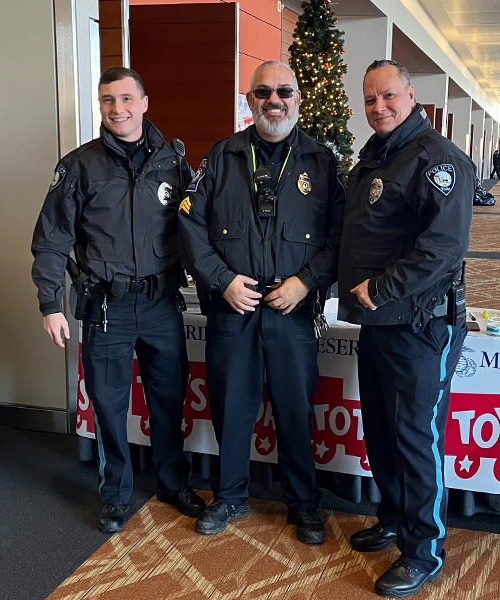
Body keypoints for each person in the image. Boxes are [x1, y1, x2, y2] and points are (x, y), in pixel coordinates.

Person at [31, 67, 206, 534]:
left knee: (169, 400)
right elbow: (51, 240)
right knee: (108, 404)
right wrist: (50, 304)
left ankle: (172, 482)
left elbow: (198, 229)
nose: (118, 109)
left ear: (145, 102)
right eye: (108, 100)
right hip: (106, 308)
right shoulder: (79, 166)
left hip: (161, 304)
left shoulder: (173, 163)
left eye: (127, 98)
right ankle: (115, 494)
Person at [177, 60, 345, 545]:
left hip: (293, 311)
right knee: (231, 407)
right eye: (263, 92)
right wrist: (223, 280)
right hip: (235, 307)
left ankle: (303, 504)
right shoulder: (222, 155)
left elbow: (341, 235)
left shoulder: (323, 161)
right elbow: (189, 224)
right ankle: (228, 497)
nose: (275, 100)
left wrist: (306, 282)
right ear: (250, 100)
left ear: (298, 99)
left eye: (284, 92)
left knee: (295, 409)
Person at [337, 59, 472, 599]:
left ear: (411, 95)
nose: (379, 107)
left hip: (420, 325)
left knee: (416, 438)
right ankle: (392, 518)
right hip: (379, 324)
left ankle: (424, 550)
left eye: (388, 96)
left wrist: (379, 290)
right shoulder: (377, 156)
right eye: (370, 100)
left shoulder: (438, 160)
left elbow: (443, 248)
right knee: (382, 430)